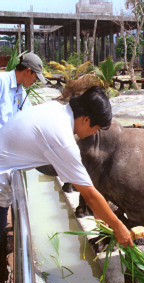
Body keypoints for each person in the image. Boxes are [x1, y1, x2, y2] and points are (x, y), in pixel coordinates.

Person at [0, 86, 133, 248]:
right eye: (96, 128)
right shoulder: (62, 139)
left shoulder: (55, 108)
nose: (94, 134)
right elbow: (90, 195)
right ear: (86, 119)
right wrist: (119, 227)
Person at [0, 52, 46, 128]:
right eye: (35, 78)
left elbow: (27, 113)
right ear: (28, 71)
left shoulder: (21, 91)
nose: (35, 82)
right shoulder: (2, 81)